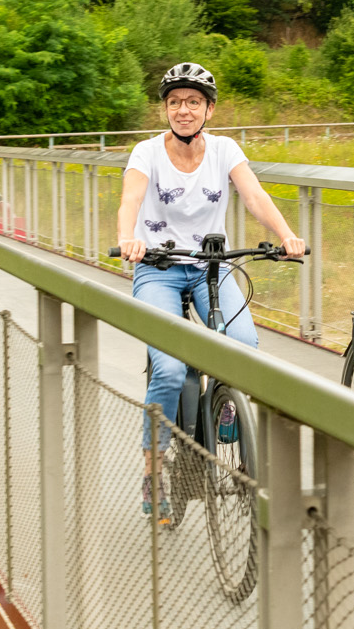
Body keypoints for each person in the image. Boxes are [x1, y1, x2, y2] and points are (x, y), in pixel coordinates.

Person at [116, 61, 307, 520]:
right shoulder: (146, 153)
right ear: (165, 108)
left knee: (243, 346)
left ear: (209, 109)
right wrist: (128, 237)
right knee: (168, 368)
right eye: (175, 102)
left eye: (193, 102)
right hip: (158, 270)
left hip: (210, 267)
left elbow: (255, 196)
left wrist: (286, 235)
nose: (184, 110)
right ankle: (153, 468)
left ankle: (224, 407)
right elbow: (130, 199)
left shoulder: (224, 150)